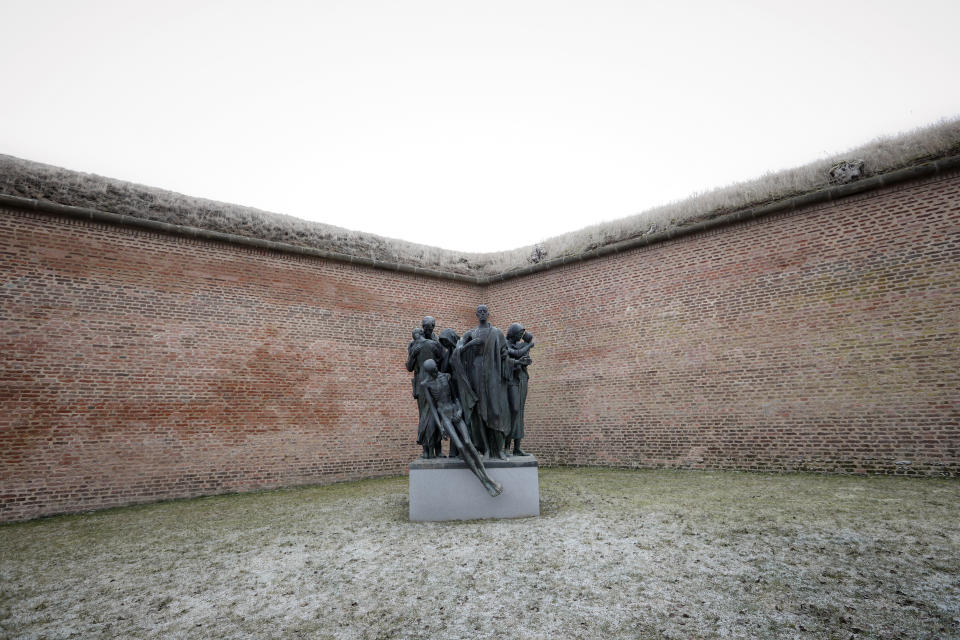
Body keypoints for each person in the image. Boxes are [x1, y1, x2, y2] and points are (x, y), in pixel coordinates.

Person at [420, 359, 503, 497]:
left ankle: (488, 477)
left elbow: (456, 397)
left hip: (454, 412)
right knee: (460, 446)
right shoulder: (425, 384)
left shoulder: (446, 376)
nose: (436, 371)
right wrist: (440, 426)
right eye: (432, 370)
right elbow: (433, 408)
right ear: (427, 372)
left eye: (436, 368)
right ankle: (483, 481)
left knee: (468, 442)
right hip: (444, 416)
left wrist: (459, 411)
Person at [451, 305, 514, 460]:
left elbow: (505, 354)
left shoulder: (497, 333)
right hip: (475, 373)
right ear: (476, 314)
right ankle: (485, 449)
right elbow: (456, 352)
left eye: (485, 311)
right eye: (479, 312)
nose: (482, 314)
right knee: (478, 412)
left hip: (493, 375)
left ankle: (497, 450)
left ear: (488, 313)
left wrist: (515, 364)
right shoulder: (470, 333)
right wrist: (470, 345)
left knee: (496, 411)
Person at [406, 316, 444, 458]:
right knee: (425, 416)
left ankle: (438, 450)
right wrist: (413, 355)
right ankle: (426, 450)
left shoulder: (436, 341)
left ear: (434, 326)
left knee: (437, 414)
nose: (428, 329)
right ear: (422, 327)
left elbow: (442, 361)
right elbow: (409, 367)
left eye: (431, 327)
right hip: (422, 383)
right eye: (425, 327)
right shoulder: (413, 344)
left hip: (436, 381)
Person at [505, 325, 534, 456]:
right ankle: (506, 447)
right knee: (512, 412)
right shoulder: (505, 344)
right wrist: (529, 345)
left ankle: (517, 447)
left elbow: (523, 357)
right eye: (519, 333)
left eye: (522, 333)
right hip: (511, 381)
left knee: (520, 413)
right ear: (513, 333)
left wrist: (525, 361)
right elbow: (515, 354)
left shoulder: (520, 345)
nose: (521, 336)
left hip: (522, 378)